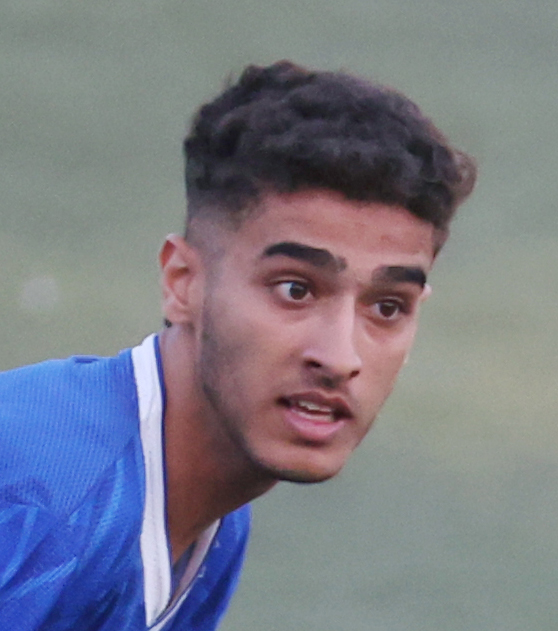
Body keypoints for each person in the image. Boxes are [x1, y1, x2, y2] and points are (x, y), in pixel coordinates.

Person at [0, 61, 476, 630]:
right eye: (295, 290)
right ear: (183, 282)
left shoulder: (212, 512)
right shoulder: (43, 505)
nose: (340, 358)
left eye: (387, 307)